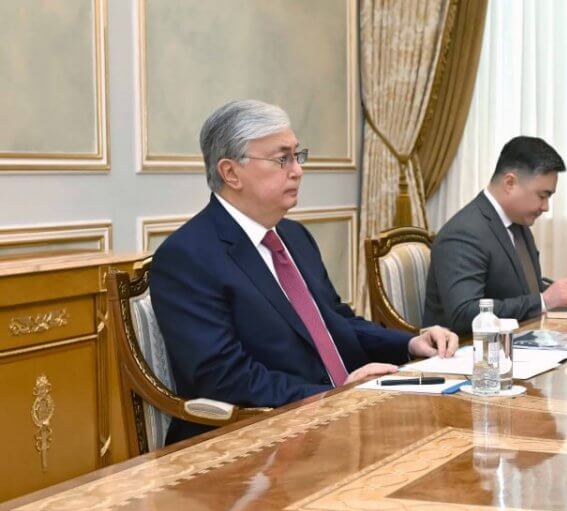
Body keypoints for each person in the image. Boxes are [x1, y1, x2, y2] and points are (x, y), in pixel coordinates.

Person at [152, 100, 457, 444]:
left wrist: (411, 343)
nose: (297, 170)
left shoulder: (294, 236)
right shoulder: (188, 256)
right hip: (258, 439)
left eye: (298, 156)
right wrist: (333, 396)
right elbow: (221, 377)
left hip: (340, 420)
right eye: (282, 159)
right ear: (230, 173)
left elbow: (336, 321)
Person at [423, 136, 567, 334]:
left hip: (519, 341)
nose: (546, 207)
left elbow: (521, 291)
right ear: (510, 183)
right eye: (542, 196)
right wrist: (544, 301)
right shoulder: (463, 233)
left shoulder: (518, 224)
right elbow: (464, 314)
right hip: (471, 348)